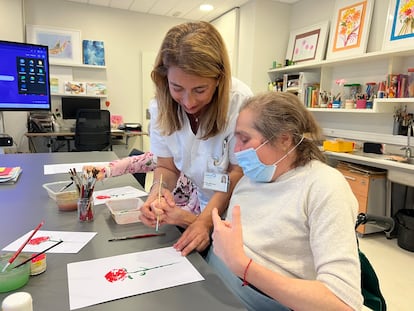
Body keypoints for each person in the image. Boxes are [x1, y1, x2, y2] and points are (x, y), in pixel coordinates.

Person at [208, 92, 363, 311]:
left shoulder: (323, 186)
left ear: (284, 139)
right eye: (235, 140)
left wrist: (242, 265)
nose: (236, 150)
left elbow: (341, 303)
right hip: (215, 283)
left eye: (244, 139)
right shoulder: (249, 180)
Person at [139, 21, 253, 256]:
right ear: (164, 79)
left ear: (219, 79)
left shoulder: (240, 103)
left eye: (200, 90)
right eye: (177, 88)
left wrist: (203, 221)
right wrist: (158, 194)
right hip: (204, 202)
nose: (189, 102)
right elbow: (166, 167)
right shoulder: (160, 107)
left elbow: (236, 172)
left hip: (239, 206)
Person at [83, 151, 200, 215]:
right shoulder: (172, 152)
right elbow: (137, 162)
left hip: (186, 225)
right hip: (165, 218)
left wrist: (164, 212)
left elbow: (195, 212)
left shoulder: (201, 168)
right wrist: (106, 170)